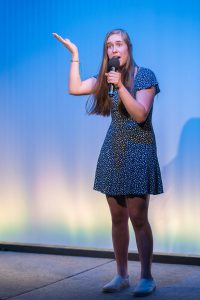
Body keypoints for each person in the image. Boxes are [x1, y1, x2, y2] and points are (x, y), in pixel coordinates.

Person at [53, 29, 163, 297]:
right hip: (113, 150)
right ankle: (121, 275)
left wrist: (122, 86)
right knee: (117, 218)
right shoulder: (108, 78)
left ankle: (146, 277)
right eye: (109, 46)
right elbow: (74, 88)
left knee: (138, 217)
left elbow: (140, 114)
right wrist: (75, 56)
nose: (113, 50)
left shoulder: (144, 75)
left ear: (128, 47)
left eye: (118, 44)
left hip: (139, 150)